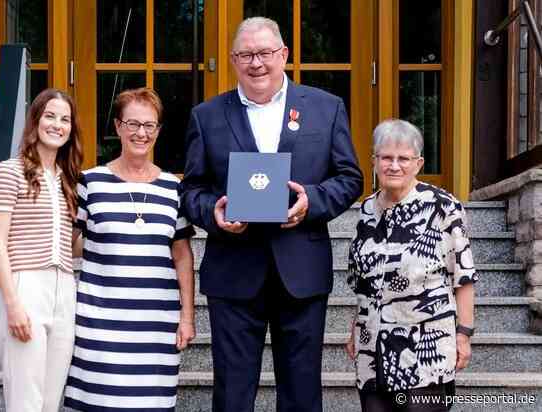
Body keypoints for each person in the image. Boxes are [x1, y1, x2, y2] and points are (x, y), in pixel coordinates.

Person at [181, 16, 363, 412]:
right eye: (245, 54)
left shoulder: (325, 108)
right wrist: (213, 213)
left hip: (301, 270)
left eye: (264, 53)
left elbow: (350, 178)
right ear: (233, 59)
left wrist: (311, 201)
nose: (256, 63)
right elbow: (190, 191)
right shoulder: (206, 116)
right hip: (233, 272)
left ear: (284, 54)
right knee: (231, 393)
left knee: (301, 393)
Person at [64, 87, 196, 411]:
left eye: (149, 125)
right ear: (118, 127)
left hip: (155, 323)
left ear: (158, 131)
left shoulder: (173, 188)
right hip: (98, 321)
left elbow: (181, 255)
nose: (141, 133)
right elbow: (67, 245)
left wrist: (187, 316)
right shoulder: (90, 182)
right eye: (133, 123)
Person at [345, 119, 477, 412]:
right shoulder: (367, 210)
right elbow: (362, 280)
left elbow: (464, 277)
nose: (394, 166)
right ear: (374, 162)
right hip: (373, 348)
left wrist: (464, 334)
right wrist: (355, 327)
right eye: (386, 158)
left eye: (403, 158)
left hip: (424, 349)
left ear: (418, 163)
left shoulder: (443, 207)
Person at [0, 88, 83, 412]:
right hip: (25, 285)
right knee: (25, 401)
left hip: (64, 290)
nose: (57, 125)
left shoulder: (68, 180)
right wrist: (13, 303)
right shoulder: (8, 171)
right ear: (35, 121)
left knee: (49, 401)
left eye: (65, 119)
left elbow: (72, 244)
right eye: (50, 116)